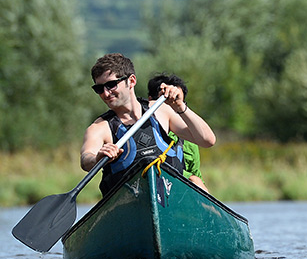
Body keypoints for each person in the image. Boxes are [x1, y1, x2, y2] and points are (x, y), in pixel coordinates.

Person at [80, 53, 216, 196]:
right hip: (129, 205)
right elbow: (86, 159)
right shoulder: (99, 128)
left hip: (174, 198)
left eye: (111, 85)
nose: (106, 94)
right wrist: (97, 158)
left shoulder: (161, 110)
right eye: (99, 89)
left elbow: (207, 140)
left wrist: (180, 107)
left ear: (131, 81)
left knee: (196, 182)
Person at [146, 72, 210, 193]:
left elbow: (196, 175)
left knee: (195, 179)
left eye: (176, 100)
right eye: (167, 100)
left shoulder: (191, 139)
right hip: (150, 179)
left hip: (179, 191)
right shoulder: (143, 128)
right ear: (150, 101)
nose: (172, 105)